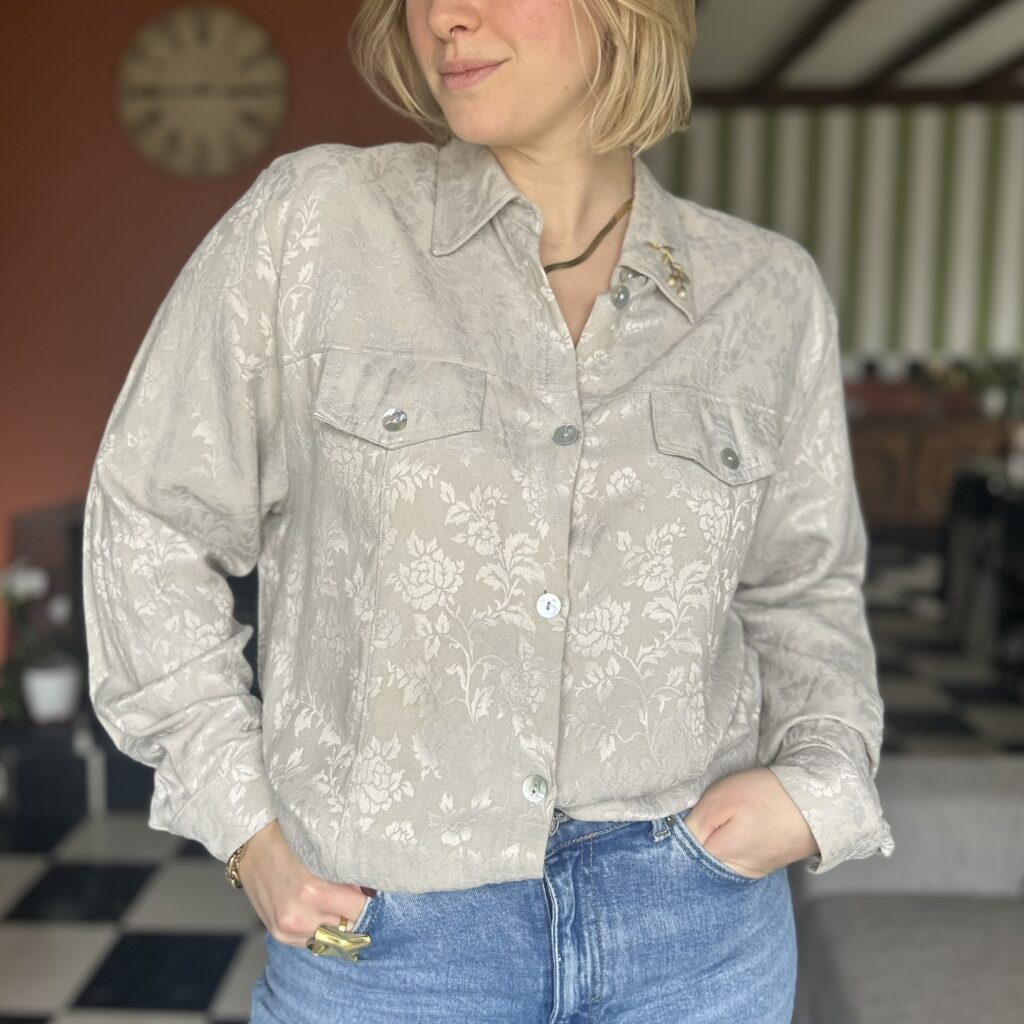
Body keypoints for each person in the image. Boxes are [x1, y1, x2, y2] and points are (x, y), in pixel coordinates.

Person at [81, 0, 895, 1020]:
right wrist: (248, 828)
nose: (443, 16)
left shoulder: (767, 294)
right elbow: (151, 518)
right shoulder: (317, 225)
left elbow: (804, 587)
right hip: (390, 942)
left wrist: (819, 781)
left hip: (696, 935)